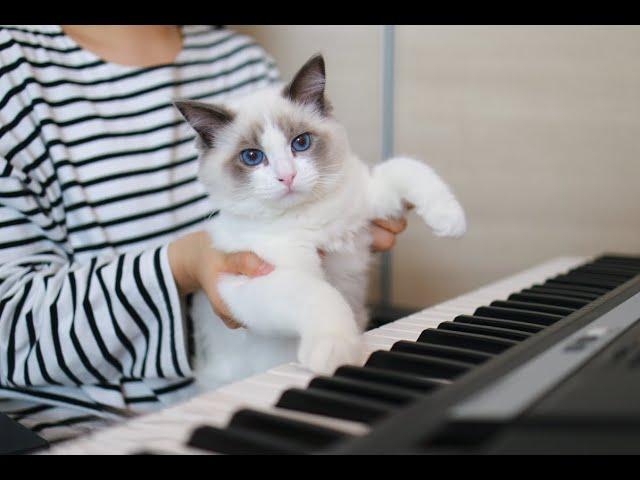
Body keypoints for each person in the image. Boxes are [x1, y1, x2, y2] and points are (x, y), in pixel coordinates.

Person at [0, 25, 408, 442]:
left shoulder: (241, 60)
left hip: (270, 389)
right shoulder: (11, 70)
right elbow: (6, 336)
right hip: (95, 425)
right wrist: (182, 265)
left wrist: (342, 216)